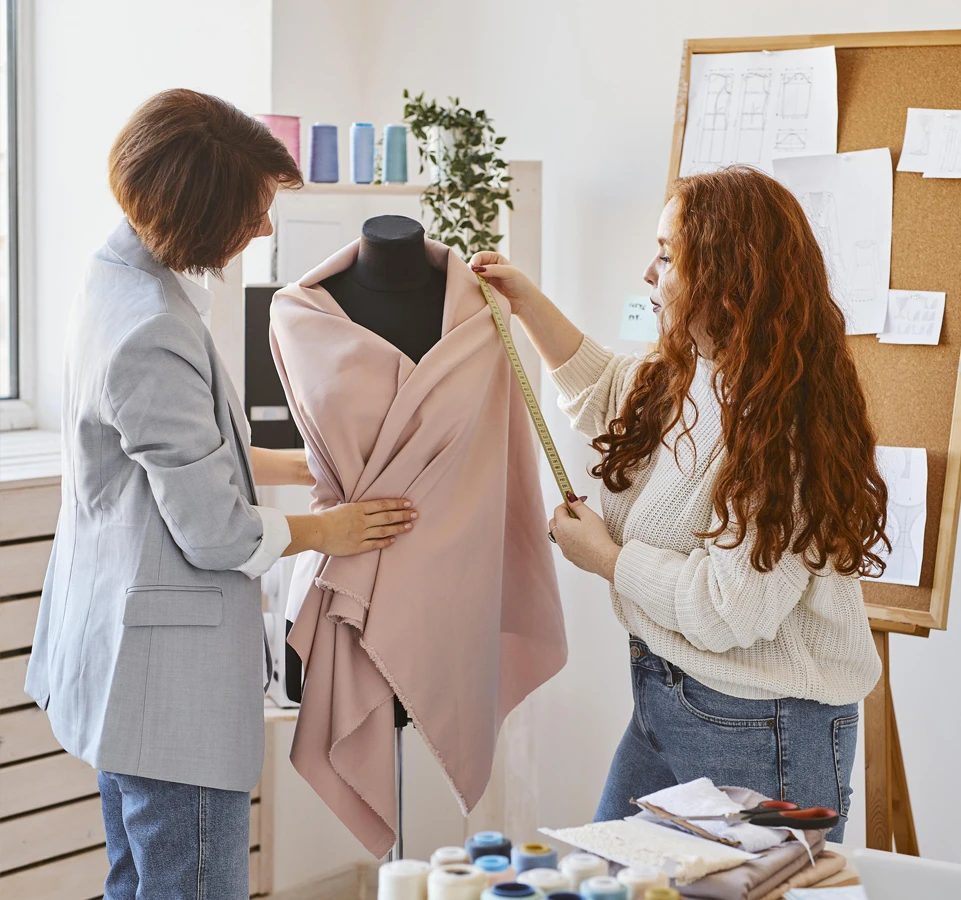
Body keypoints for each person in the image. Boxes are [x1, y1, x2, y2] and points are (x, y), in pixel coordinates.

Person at [25, 90, 418, 899]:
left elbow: (180, 455)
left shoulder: (111, 278)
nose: (265, 228)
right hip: (165, 688)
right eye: (254, 210)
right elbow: (215, 533)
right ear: (200, 211)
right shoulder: (151, 329)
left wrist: (305, 465)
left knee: (138, 881)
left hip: (117, 657)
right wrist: (331, 530)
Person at [470, 166, 886, 841]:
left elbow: (727, 608)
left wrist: (606, 558)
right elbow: (609, 389)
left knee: (752, 887)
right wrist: (525, 300)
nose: (648, 273)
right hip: (665, 698)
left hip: (764, 725)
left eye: (667, 257)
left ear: (725, 276)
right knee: (605, 877)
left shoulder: (781, 425)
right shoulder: (698, 370)